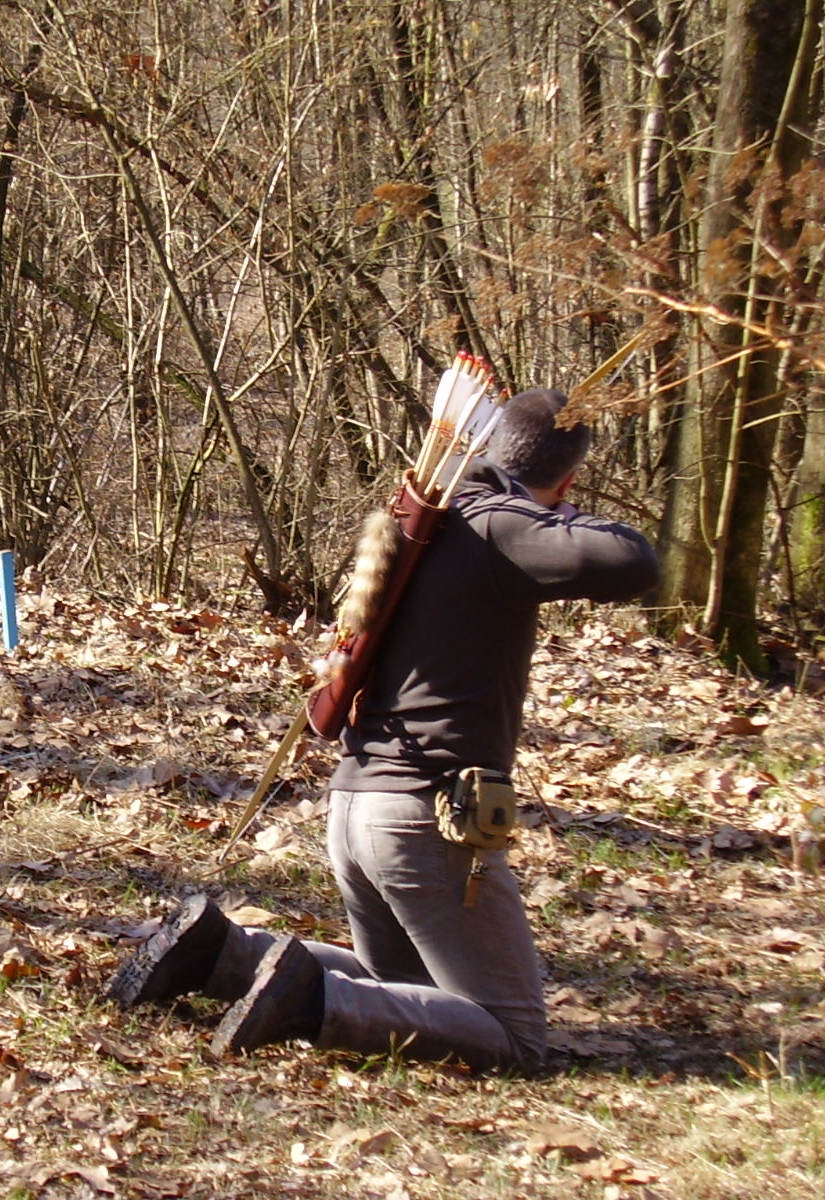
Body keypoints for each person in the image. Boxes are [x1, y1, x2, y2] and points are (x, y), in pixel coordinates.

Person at [108, 388, 660, 1072]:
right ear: (567, 479)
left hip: (356, 812)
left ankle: (221, 955)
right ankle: (311, 1002)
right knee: (514, 1036)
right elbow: (636, 561)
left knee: (415, 993)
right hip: (427, 824)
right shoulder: (499, 526)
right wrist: (551, 510)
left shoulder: (435, 514)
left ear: (489, 447)